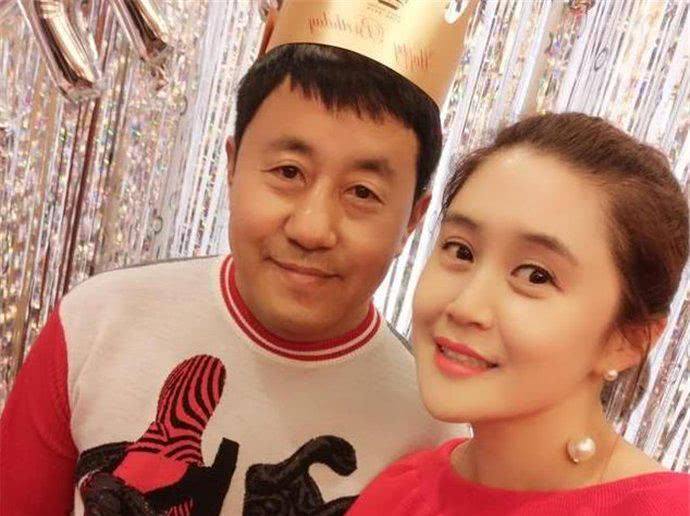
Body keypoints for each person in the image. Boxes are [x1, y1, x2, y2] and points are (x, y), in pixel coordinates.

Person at [0, 18, 471, 516]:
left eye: (362, 192)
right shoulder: (97, 322)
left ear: (413, 218)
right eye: (288, 172)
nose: (312, 229)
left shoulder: (434, 431)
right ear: (232, 165)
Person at [349, 112, 690, 515]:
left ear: (627, 340)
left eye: (535, 275)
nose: (465, 306)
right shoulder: (395, 496)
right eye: (461, 251)